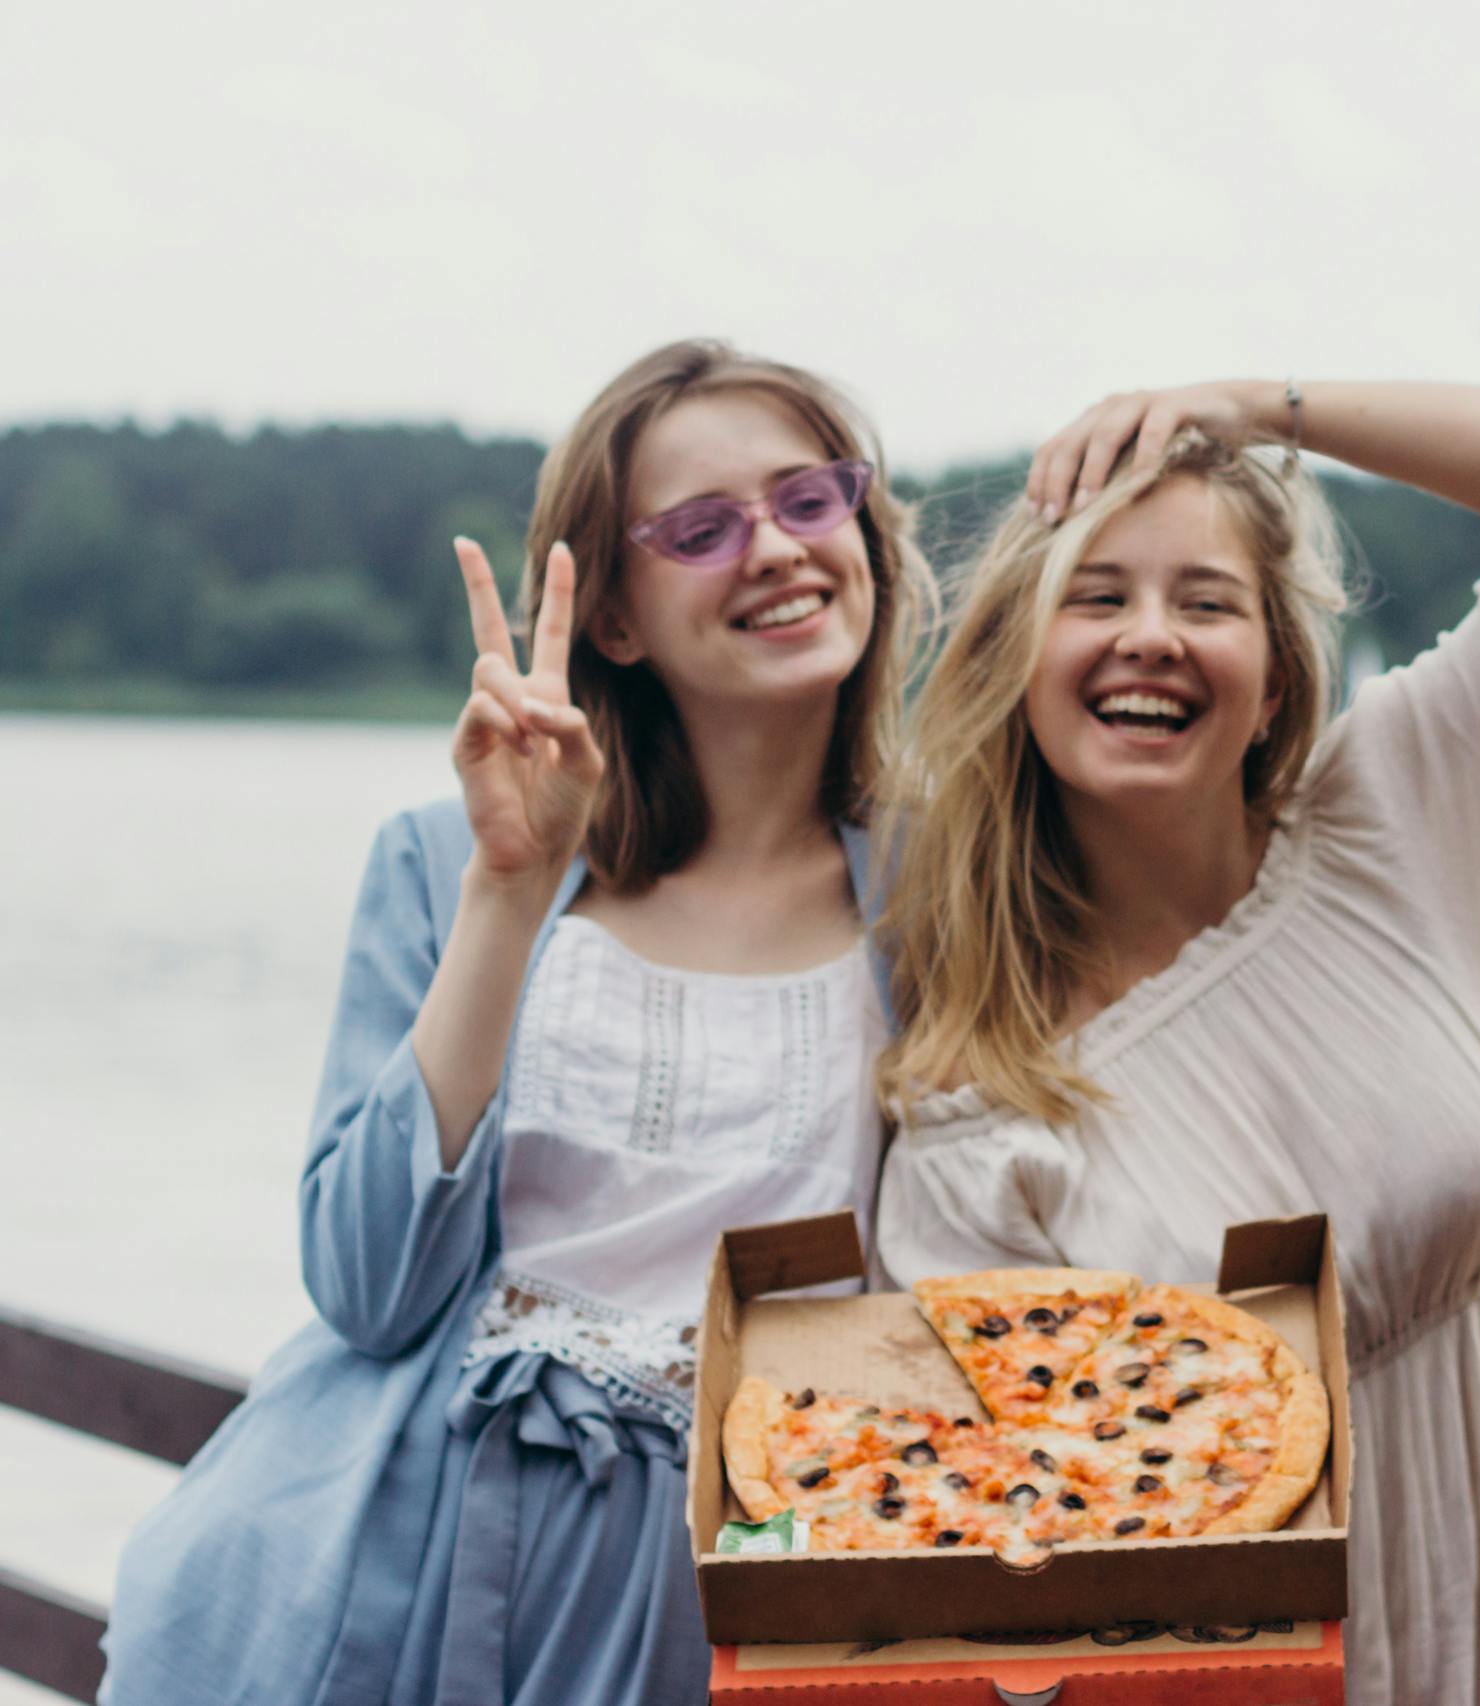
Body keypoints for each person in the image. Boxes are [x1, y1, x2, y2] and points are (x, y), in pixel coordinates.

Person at [102, 340, 930, 1705]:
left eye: (807, 500)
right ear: (613, 615)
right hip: (421, 1556)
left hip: (737, 1582)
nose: (776, 550)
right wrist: (507, 892)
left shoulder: (943, 899)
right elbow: (369, 1282)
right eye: (703, 529)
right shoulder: (448, 859)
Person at [869, 409, 1480, 1706]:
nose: (1152, 634)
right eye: (1098, 594)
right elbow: (1015, 1590)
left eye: (1208, 599)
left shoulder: (1393, 812)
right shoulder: (978, 1123)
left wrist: (1256, 406)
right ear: (1015, 661)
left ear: (1276, 678)